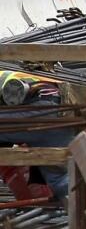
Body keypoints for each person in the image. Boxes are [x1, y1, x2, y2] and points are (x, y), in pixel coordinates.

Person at [0, 71, 75, 203]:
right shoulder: (9, 73)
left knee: (60, 174)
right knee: (58, 175)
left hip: (43, 108)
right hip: (62, 108)